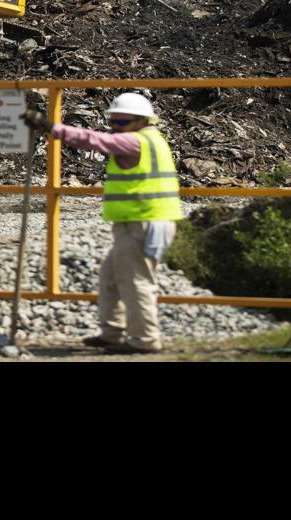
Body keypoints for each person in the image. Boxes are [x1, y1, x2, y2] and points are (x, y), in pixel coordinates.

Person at [23, 93, 183, 354]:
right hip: (140, 222)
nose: (114, 127)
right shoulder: (149, 139)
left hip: (143, 222)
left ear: (140, 121)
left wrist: (52, 127)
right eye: (112, 122)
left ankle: (144, 340)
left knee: (136, 283)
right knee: (110, 278)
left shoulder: (136, 141)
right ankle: (112, 333)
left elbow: (96, 140)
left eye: (120, 123)